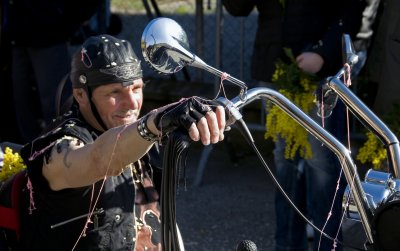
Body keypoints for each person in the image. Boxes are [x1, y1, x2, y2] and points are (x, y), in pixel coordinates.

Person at [17, 34, 226, 250]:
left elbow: (162, 216)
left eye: (136, 88)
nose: (131, 103)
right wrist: (152, 124)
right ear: (80, 95)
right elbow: (99, 159)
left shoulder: (141, 137)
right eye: (114, 92)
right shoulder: (58, 145)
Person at [222, 1, 368, 250]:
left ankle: (328, 245)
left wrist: (323, 53)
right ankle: (287, 245)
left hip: (319, 74)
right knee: (285, 165)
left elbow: (351, 10)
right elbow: (238, 8)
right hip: (276, 70)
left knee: (323, 168)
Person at [5, 0, 103, 142]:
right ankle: (27, 155)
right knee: (22, 104)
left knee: (57, 105)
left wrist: (67, 22)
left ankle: (62, 150)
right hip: (18, 36)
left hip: (49, 37)